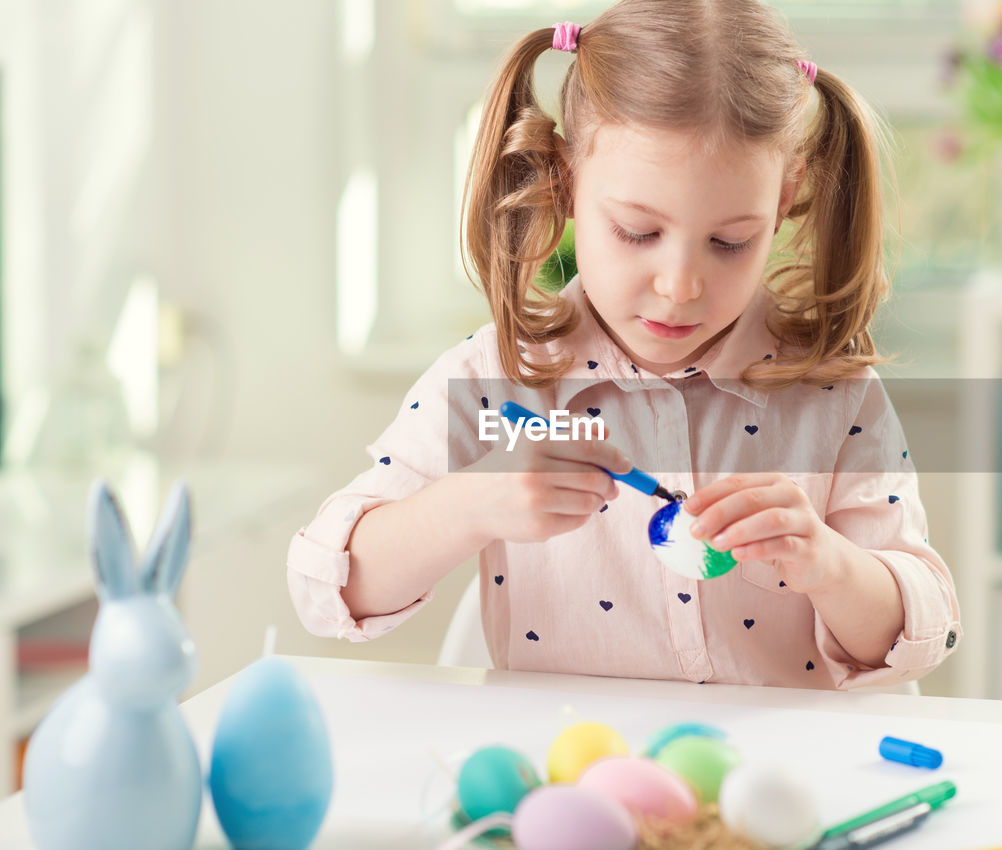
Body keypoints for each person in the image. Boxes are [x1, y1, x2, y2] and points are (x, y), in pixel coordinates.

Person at [287, 0, 960, 690]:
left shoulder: (831, 395)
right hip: (573, 777)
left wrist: (830, 565)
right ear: (564, 180)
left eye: (731, 242)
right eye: (638, 232)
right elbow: (322, 588)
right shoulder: (493, 383)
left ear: (785, 198)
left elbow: (926, 626)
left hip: (768, 786)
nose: (679, 286)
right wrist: (468, 504)